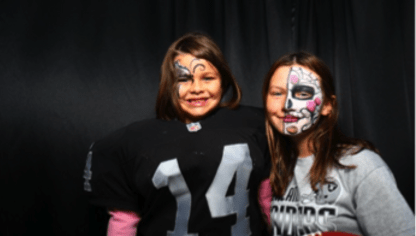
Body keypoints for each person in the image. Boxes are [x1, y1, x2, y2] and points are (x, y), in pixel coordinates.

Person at [83, 32, 270, 235]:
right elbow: (124, 219)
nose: (197, 88)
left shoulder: (254, 125)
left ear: (223, 81)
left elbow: (266, 198)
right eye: (183, 79)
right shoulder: (135, 141)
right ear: (169, 84)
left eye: (207, 78)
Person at [260, 51, 416, 235]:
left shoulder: (360, 165)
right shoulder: (270, 167)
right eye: (277, 93)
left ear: (327, 105)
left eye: (302, 93)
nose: (287, 104)